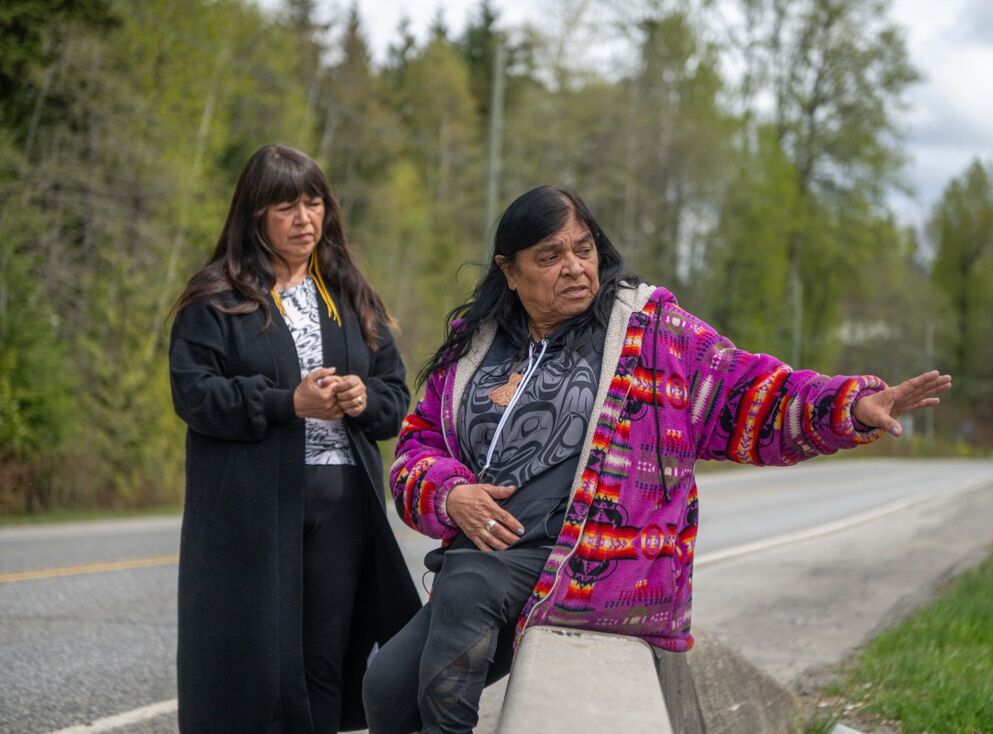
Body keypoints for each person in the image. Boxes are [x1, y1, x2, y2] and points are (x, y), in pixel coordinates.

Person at [364, 185, 951, 734]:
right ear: (509, 271)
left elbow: (753, 392)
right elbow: (417, 448)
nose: (574, 267)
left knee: (465, 584)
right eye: (549, 256)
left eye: (583, 248)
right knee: (385, 688)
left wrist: (849, 406)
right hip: (489, 552)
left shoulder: (651, 334)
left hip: (592, 563)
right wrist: (449, 493)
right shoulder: (475, 346)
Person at [168, 144, 421, 733]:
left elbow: (394, 396)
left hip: (341, 508)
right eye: (286, 206)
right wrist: (288, 403)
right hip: (251, 511)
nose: (305, 219)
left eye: (314, 203)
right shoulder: (218, 299)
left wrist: (363, 399)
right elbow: (195, 395)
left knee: (326, 662)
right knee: (252, 667)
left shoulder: (352, 295)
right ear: (254, 215)